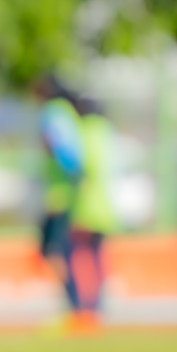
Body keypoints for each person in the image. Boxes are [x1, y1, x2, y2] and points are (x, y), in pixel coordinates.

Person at [32, 77, 84, 319]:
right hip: (62, 194)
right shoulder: (66, 112)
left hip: (59, 198)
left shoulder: (54, 113)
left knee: (56, 252)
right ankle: (74, 307)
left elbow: (65, 152)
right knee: (55, 252)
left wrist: (51, 148)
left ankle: (75, 307)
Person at [68, 95, 118, 330]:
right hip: (107, 205)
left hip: (87, 205)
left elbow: (83, 166)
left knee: (79, 256)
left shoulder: (85, 133)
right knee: (99, 258)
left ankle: (86, 310)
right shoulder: (108, 133)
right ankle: (98, 307)